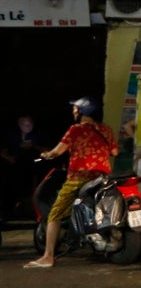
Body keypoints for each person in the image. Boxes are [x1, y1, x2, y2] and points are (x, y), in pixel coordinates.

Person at [25, 97, 117, 269]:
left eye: (75, 108)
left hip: (78, 178)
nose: (73, 111)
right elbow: (114, 151)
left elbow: (57, 152)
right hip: (102, 178)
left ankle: (48, 256)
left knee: (55, 214)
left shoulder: (75, 130)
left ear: (82, 111)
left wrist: (46, 154)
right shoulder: (106, 130)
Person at [3, 115, 51, 218]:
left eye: (30, 124)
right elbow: (4, 149)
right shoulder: (12, 135)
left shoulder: (39, 135)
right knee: (10, 184)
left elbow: (48, 150)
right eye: (24, 124)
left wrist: (33, 146)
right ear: (19, 125)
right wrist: (8, 158)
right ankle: (8, 211)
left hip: (35, 164)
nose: (28, 127)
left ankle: (36, 211)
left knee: (37, 184)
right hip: (15, 164)